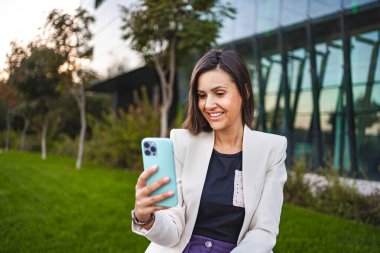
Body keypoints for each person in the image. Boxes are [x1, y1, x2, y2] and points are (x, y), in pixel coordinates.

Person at [131, 49, 287, 253]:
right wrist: (146, 218)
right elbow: (173, 230)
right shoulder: (182, 143)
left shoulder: (271, 149)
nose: (209, 105)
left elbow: (263, 231)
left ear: (245, 92)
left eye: (220, 93)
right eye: (202, 95)